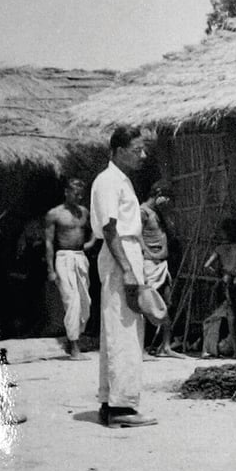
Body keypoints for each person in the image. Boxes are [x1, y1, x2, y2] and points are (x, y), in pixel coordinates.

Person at [90, 126, 157, 428]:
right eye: (137, 149)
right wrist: (128, 269)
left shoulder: (122, 181)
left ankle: (112, 401)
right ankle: (122, 408)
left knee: (123, 328)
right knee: (124, 330)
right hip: (120, 254)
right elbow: (109, 228)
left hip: (127, 250)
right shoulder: (107, 181)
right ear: (118, 151)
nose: (143, 155)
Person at [44, 178, 92, 359]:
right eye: (75, 193)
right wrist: (50, 269)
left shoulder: (83, 212)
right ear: (66, 192)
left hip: (81, 257)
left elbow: (95, 227)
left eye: (81, 194)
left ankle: (76, 337)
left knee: (85, 302)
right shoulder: (54, 214)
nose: (78, 196)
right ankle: (74, 347)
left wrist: (91, 242)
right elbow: (48, 242)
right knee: (71, 300)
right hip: (63, 257)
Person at [203, 217, 236, 358]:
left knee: (231, 316)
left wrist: (220, 274)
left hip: (227, 282)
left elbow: (207, 266)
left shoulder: (219, 249)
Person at [140, 181, 179, 357]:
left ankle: (166, 346)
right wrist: (147, 253)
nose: (169, 201)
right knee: (146, 305)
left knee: (167, 302)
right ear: (158, 194)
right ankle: (140, 347)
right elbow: (136, 235)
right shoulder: (142, 212)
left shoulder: (158, 213)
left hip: (162, 264)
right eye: (167, 197)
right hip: (149, 263)